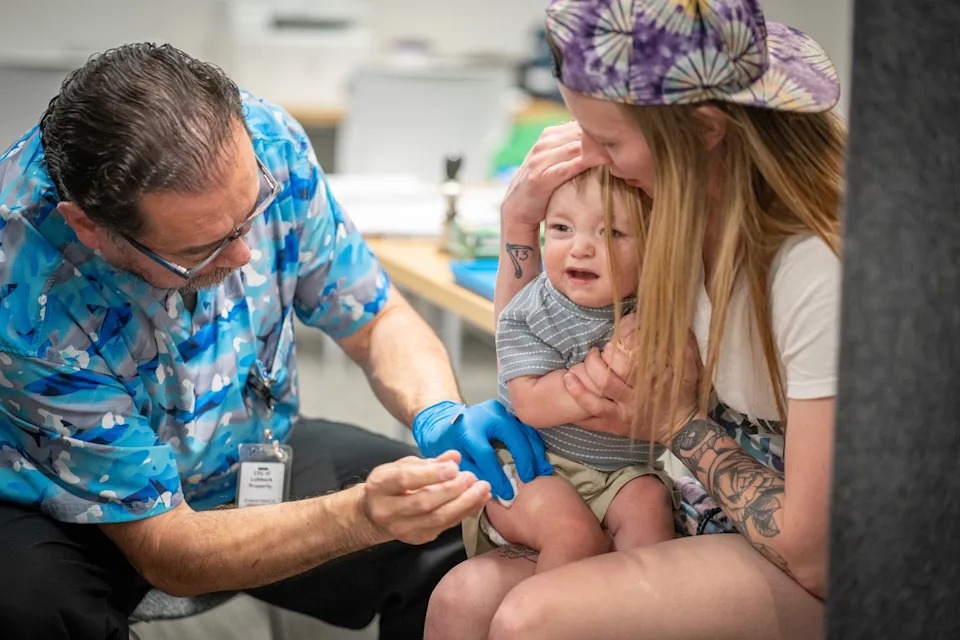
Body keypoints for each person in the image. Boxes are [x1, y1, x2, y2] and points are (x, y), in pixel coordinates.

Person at [0, 43, 554, 640]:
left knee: (460, 527)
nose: (243, 256)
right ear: (91, 227)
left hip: (249, 449)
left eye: (251, 215)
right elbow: (169, 549)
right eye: (203, 249)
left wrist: (439, 411)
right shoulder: (23, 287)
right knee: (35, 611)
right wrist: (360, 517)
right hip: (72, 504)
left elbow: (376, 319)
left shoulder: (264, 141)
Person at [426, 1, 844, 638]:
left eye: (609, 141)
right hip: (691, 499)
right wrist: (520, 223)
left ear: (705, 131)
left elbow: (813, 551)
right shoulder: (675, 213)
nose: (589, 156)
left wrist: (672, 419)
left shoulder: (811, 265)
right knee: (464, 595)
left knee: (530, 620)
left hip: (804, 552)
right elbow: (543, 325)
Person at [463, 166, 677, 572]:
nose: (581, 248)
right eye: (562, 228)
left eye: (612, 233)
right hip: (537, 466)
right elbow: (530, 403)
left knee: (650, 514)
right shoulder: (530, 310)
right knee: (573, 536)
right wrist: (609, 375)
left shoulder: (656, 312)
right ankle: (547, 620)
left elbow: (674, 399)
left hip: (623, 471)